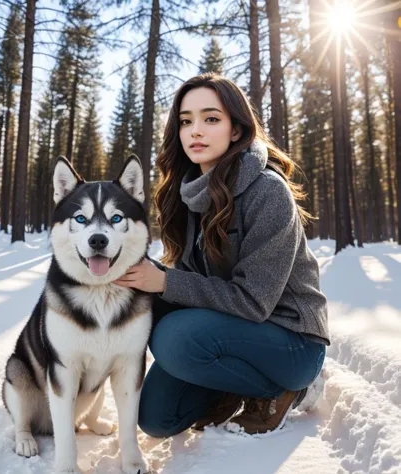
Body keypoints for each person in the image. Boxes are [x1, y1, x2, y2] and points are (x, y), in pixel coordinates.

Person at [113, 73, 329, 437]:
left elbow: (254, 301)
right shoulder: (187, 195)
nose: (195, 130)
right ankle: (228, 384)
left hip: (291, 341)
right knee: (157, 418)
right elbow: (189, 281)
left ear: (235, 130)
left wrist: (166, 280)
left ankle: (289, 390)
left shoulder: (267, 192)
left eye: (210, 119)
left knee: (176, 338)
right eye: (186, 121)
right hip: (227, 332)